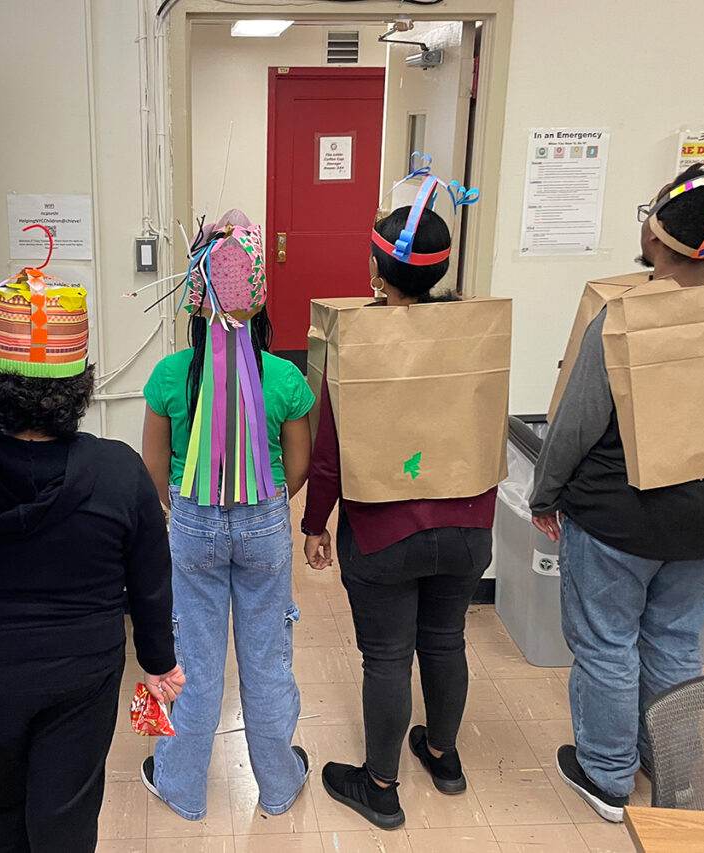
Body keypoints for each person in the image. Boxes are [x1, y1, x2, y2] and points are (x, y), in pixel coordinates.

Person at [0, 268, 183, 852]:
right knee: (67, 822)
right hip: (82, 672)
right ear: (79, 383)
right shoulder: (119, 473)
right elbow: (152, 583)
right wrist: (158, 663)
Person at [530, 164, 704, 823]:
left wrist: (545, 494)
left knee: (606, 642)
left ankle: (606, 776)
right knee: (676, 639)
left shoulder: (623, 319)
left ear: (656, 230)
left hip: (616, 519)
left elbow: (575, 422)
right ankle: (673, 766)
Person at [302, 175, 494, 831]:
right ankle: (443, 757)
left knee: (387, 655)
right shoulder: (476, 337)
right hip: (468, 524)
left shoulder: (356, 339)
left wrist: (314, 523)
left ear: (377, 268)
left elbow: (329, 449)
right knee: (446, 638)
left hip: (384, 531)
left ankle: (380, 786)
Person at [139, 209, 314, 821]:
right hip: (265, 522)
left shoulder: (167, 376)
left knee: (191, 657)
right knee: (267, 659)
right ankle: (278, 786)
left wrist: (188, 511)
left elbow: (153, 469)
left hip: (192, 524)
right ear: (260, 302)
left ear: (193, 302)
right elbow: (297, 469)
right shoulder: (286, 377)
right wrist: (263, 507)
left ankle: (180, 784)